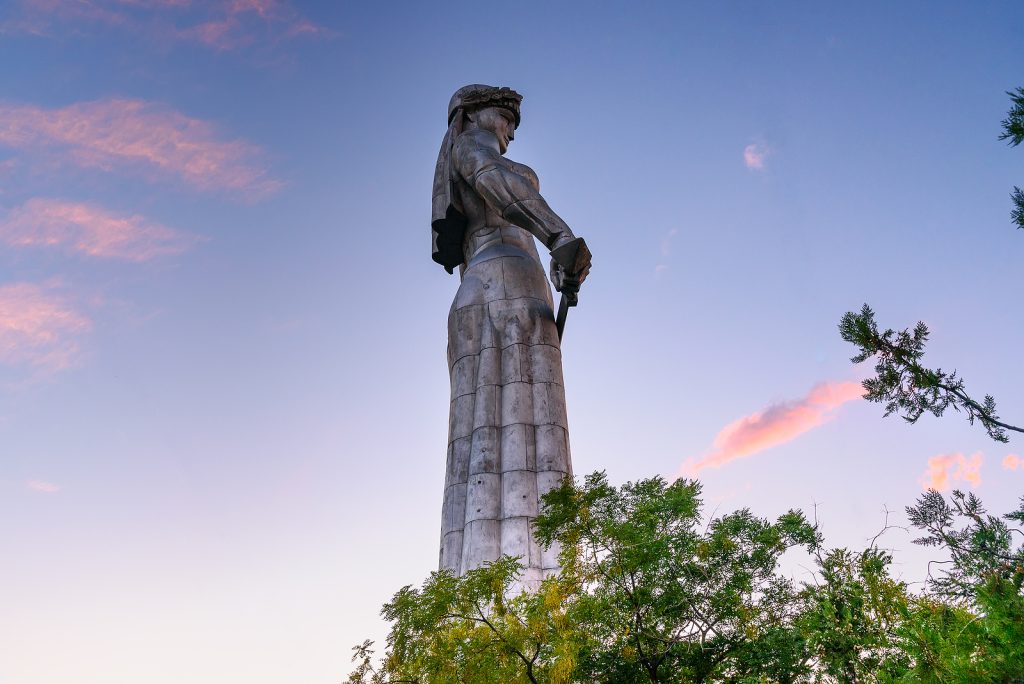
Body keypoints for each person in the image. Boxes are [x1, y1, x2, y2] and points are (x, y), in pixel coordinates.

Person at [431, 84, 592, 588]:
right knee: (506, 441)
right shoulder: (470, 148)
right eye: (507, 117)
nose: (512, 132)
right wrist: (558, 234)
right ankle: (524, 596)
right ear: (473, 113)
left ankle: (508, 598)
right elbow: (498, 182)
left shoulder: (473, 154)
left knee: (513, 437)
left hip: (501, 287)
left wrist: (562, 270)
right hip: (506, 285)